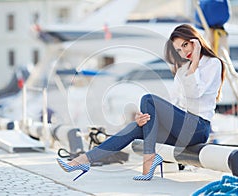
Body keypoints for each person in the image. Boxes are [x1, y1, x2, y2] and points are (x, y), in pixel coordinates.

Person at [56, 24, 225, 181]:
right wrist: (147, 116)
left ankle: (148, 160)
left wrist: (195, 63)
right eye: (179, 50)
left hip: (198, 128)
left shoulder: (213, 64)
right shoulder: (182, 70)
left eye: (185, 45)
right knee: (136, 126)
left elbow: (196, 92)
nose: (183, 52)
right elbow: (175, 103)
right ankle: (84, 160)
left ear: (195, 41)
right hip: (180, 128)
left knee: (148, 99)